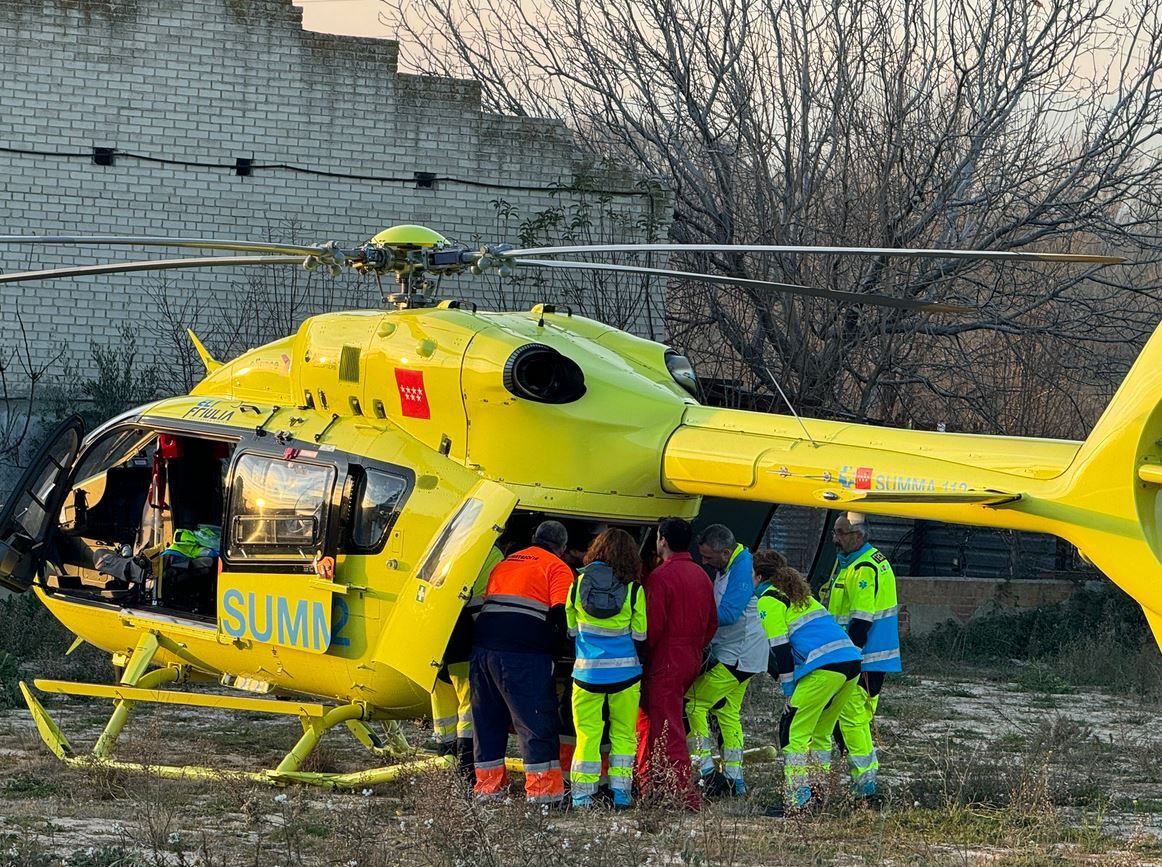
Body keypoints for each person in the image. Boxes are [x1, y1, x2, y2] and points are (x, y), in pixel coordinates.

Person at [470, 520, 574, 804]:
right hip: (524, 656)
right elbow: (561, 616)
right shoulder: (557, 568)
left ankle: (488, 789)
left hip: (483, 651)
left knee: (487, 721)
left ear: (534, 537)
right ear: (562, 548)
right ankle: (544, 795)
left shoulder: (504, 564)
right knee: (535, 720)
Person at [753, 549, 861, 813]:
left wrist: (789, 691)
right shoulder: (800, 594)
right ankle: (817, 796)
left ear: (757, 576)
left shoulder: (768, 600)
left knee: (794, 733)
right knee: (822, 733)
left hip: (824, 668)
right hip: (850, 663)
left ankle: (797, 802)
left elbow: (780, 648)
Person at [635, 517, 717, 809]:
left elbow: (651, 628)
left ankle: (683, 793)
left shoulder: (660, 577)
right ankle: (648, 784)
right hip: (690, 656)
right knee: (652, 721)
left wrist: (640, 654)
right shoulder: (701, 575)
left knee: (667, 726)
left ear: (662, 541)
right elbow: (711, 623)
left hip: (666, 659)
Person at [564, 528, 647, 809]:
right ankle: (621, 794)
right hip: (626, 674)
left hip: (586, 674)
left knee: (587, 734)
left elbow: (571, 630)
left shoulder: (577, 584)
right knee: (623, 734)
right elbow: (640, 635)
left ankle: (582, 797)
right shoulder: (635, 590)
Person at [685, 523, 768, 796]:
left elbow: (730, 614)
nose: (705, 562)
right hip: (743, 654)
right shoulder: (730, 564)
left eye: (709, 557)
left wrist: (693, 618)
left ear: (726, 551)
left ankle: (707, 771)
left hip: (738, 655)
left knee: (694, 702)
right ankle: (735, 779)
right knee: (726, 712)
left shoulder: (742, 567)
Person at [825, 513, 901, 797]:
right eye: (834, 532)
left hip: (862, 659)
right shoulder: (862, 562)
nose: (835, 539)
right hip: (869, 658)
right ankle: (864, 783)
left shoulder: (863, 568)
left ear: (859, 536)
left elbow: (861, 621)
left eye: (841, 533)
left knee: (851, 719)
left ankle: (865, 787)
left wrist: (848, 660)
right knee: (855, 719)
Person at [430, 544, 504, 779]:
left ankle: (446, 765)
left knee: (443, 711)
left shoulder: (443, 548)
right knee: (468, 707)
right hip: (465, 639)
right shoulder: (492, 554)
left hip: (434, 640)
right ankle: (465, 769)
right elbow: (482, 602)